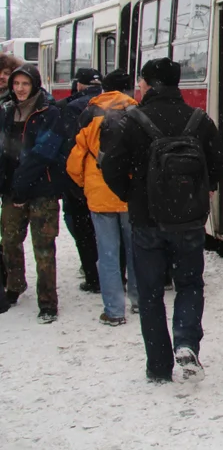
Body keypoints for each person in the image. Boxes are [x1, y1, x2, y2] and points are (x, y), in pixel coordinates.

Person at [100, 58, 223, 383]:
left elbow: (112, 167)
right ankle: (186, 343)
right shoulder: (198, 120)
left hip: (146, 221)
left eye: (141, 81)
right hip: (188, 220)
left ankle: (158, 366)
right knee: (189, 283)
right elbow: (221, 164)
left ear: (149, 83)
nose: (138, 86)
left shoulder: (132, 121)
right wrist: (204, 187)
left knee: (150, 292)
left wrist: (133, 194)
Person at [66, 70, 139, 326]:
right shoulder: (136, 112)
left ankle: (114, 310)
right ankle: (139, 301)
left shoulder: (89, 113)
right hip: (129, 194)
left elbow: (76, 158)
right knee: (135, 250)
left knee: (108, 254)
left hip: (99, 194)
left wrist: (85, 184)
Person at [0, 65, 64, 323]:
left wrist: (21, 185)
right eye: (16, 84)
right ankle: (15, 285)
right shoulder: (6, 112)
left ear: (35, 84)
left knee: (44, 248)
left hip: (42, 191)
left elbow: (44, 153)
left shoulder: (50, 113)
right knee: (10, 241)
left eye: (25, 84)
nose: (20, 89)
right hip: (11, 191)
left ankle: (48, 301)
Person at [56, 67, 103, 294]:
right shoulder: (112, 104)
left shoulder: (68, 107)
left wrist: (72, 179)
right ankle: (110, 270)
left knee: (80, 226)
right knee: (108, 228)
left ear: (78, 85)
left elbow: (68, 147)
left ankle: (92, 274)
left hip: (78, 178)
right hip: (105, 179)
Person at [0, 52, 24, 315]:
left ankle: (12, 283)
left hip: (10, 177)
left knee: (10, 234)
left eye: (7, 74)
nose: (3, 79)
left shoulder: (16, 104)